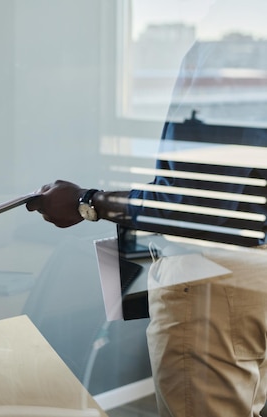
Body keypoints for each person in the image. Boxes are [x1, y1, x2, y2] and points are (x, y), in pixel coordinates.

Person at [26, 38, 267, 417]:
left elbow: (192, 204)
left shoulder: (225, 53)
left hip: (212, 285)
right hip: (249, 277)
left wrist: (86, 202)